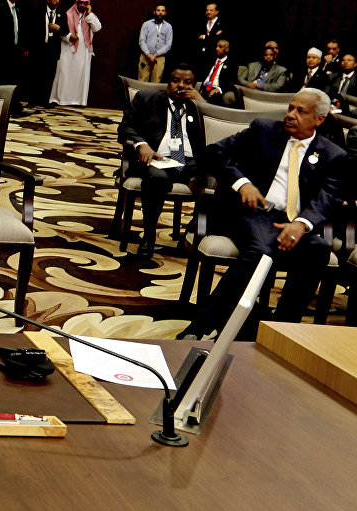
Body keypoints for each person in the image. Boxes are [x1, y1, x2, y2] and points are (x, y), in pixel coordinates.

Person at [178, 89, 346, 340]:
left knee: (318, 250)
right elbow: (214, 152)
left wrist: (302, 223)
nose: (291, 115)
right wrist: (242, 183)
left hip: (291, 222)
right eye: (291, 108)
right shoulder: (263, 130)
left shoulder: (332, 154)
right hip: (250, 211)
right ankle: (200, 326)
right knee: (262, 251)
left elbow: (329, 196)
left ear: (319, 119)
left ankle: (280, 329)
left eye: (301, 111)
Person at [118, 63, 205, 257]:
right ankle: (148, 236)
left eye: (187, 83)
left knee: (218, 180)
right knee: (157, 179)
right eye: (175, 81)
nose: (180, 86)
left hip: (189, 163)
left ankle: (191, 232)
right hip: (158, 159)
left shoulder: (198, 106)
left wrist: (202, 104)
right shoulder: (147, 99)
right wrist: (141, 144)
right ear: (168, 83)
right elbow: (125, 127)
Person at [48, 0, 101, 107]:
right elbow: (61, 32)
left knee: (79, 77)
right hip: (67, 49)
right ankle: (60, 99)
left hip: (83, 52)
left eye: (85, 3)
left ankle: (77, 101)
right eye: (80, 2)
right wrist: (69, 37)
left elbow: (97, 28)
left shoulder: (90, 17)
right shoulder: (68, 14)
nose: (82, 5)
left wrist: (89, 14)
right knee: (64, 74)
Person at [28, 0, 68, 108]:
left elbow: (66, 31)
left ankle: (45, 101)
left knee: (49, 76)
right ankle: (32, 101)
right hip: (39, 49)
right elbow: (30, 29)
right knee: (35, 75)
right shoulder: (38, 11)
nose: (58, 1)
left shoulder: (61, 14)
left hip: (52, 50)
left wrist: (58, 28)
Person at [137, 3, 173, 83]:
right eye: (158, 10)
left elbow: (168, 45)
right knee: (142, 81)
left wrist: (156, 54)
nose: (161, 12)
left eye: (163, 11)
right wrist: (149, 55)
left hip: (159, 57)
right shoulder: (146, 24)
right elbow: (142, 41)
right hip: (145, 56)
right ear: (154, 12)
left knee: (156, 82)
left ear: (165, 13)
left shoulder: (168, 27)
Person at [200, 38, 235, 106]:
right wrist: (202, 87)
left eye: (220, 47)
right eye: (216, 46)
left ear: (227, 49)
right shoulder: (210, 59)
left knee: (213, 98)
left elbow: (232, 82)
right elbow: (203, 75)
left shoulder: (231, 64)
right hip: (205, 87)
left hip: (216, 90)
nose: (216, 48)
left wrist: (219, 89)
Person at [195, 2, 224, 72]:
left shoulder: (222, 24)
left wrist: (205, 37)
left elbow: (218, 39)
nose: (208, 12)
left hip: (214, 55)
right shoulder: (202, 22)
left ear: (217, 11)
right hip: (200, 54)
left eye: (211, 10)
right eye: (207, 10)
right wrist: (212, 37)